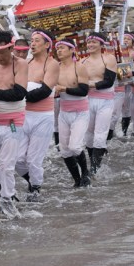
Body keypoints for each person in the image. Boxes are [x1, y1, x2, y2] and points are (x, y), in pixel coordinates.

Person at [0, 30, 29, 217]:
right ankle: (1, 190)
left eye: (1, 51)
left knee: (6, 164)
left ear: (10, 48)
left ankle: (8, 200)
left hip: (12, 122)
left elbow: (18, 93)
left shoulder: (20, 64)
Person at [15, 29, 59, 201]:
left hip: (43, 117)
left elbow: (44, 91)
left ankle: (35, 190)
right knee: (18, 159)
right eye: (31, 40)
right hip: (24, 116)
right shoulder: (25, 63)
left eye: (37, 40)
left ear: (47, 44)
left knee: (34, 159)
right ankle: (33, 181)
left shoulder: (52, 64)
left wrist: (18, 96)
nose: (32, 44)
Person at [54, 39, 91, 187]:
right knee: (64, 150)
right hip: (64, 112)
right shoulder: (55, 68)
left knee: (75, 147)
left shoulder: (79, 67)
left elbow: (83, 90)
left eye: (62, 48)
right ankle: (77, 180)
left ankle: (86, 173)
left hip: (80, 112)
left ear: (71, 50)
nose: (59, 51)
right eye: (57, 49)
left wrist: (63, 89)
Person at [82, 32, 118, 174]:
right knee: (88, 135)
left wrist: (89, 84)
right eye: (89, 42)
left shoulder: (109, 59)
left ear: (101, 44)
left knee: (100, 134)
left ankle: (95, 168)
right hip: (88, 100)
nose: (90, 45)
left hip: (105, 100)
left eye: (94, 42)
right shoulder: (82, 62)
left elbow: (108, 81)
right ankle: (92, 162)